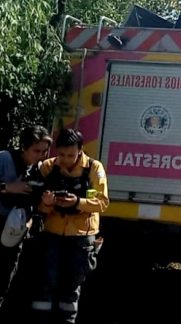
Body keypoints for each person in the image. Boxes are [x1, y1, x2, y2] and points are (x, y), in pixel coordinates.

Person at [31, 129, 108, 324]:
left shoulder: (93, 168)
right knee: (45, 282)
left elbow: (102, 202)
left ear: (81, 150)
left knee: (72, 286)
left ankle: (67, 322)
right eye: (62, 154)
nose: (65, 160)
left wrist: (77, 202)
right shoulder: (48, 167)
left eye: (71, 155)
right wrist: (47, 203)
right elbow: (36, 205)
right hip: (53, 232)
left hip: (82, 235)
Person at [0, 125, 52, 311]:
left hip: (15, 233)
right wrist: (7, 187)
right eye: (36, 150)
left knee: (4, 283)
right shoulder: (5, 159)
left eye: (45, 151)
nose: (41, 156)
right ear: (24, 146)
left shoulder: (39, 169)